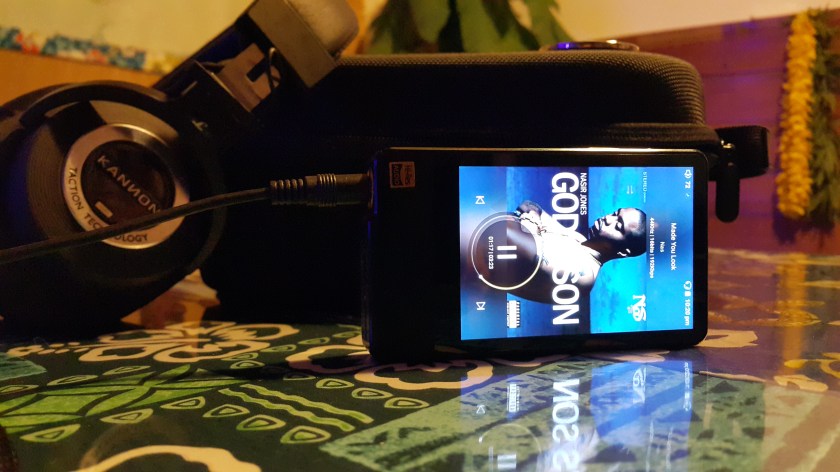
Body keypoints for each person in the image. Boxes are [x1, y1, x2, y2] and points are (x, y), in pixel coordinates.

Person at [506, 200, 647, 303]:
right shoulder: (579, 239)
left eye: (618, 225)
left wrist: (530, 222)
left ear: (623, 252)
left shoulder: (584, 275)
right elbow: (529, 205)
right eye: (615, 213)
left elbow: (516, 242)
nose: (608, 219)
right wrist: (531, 223)